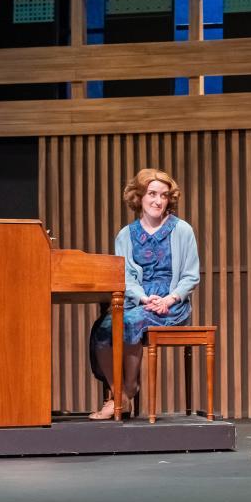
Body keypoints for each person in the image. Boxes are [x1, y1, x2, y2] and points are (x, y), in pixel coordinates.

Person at [88, 168, 200, 420]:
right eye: (152, 194)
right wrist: (142, 297)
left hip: (171, 306)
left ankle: (127, 391)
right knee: (103, 328)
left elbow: (191, 275)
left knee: (129, 322)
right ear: (139, 197)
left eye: (163, 195)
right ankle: (120, 395)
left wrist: (169, 299)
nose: (158, 200)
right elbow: (125, 276)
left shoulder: (182, 230)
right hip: (138, 301)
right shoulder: (126, 235)